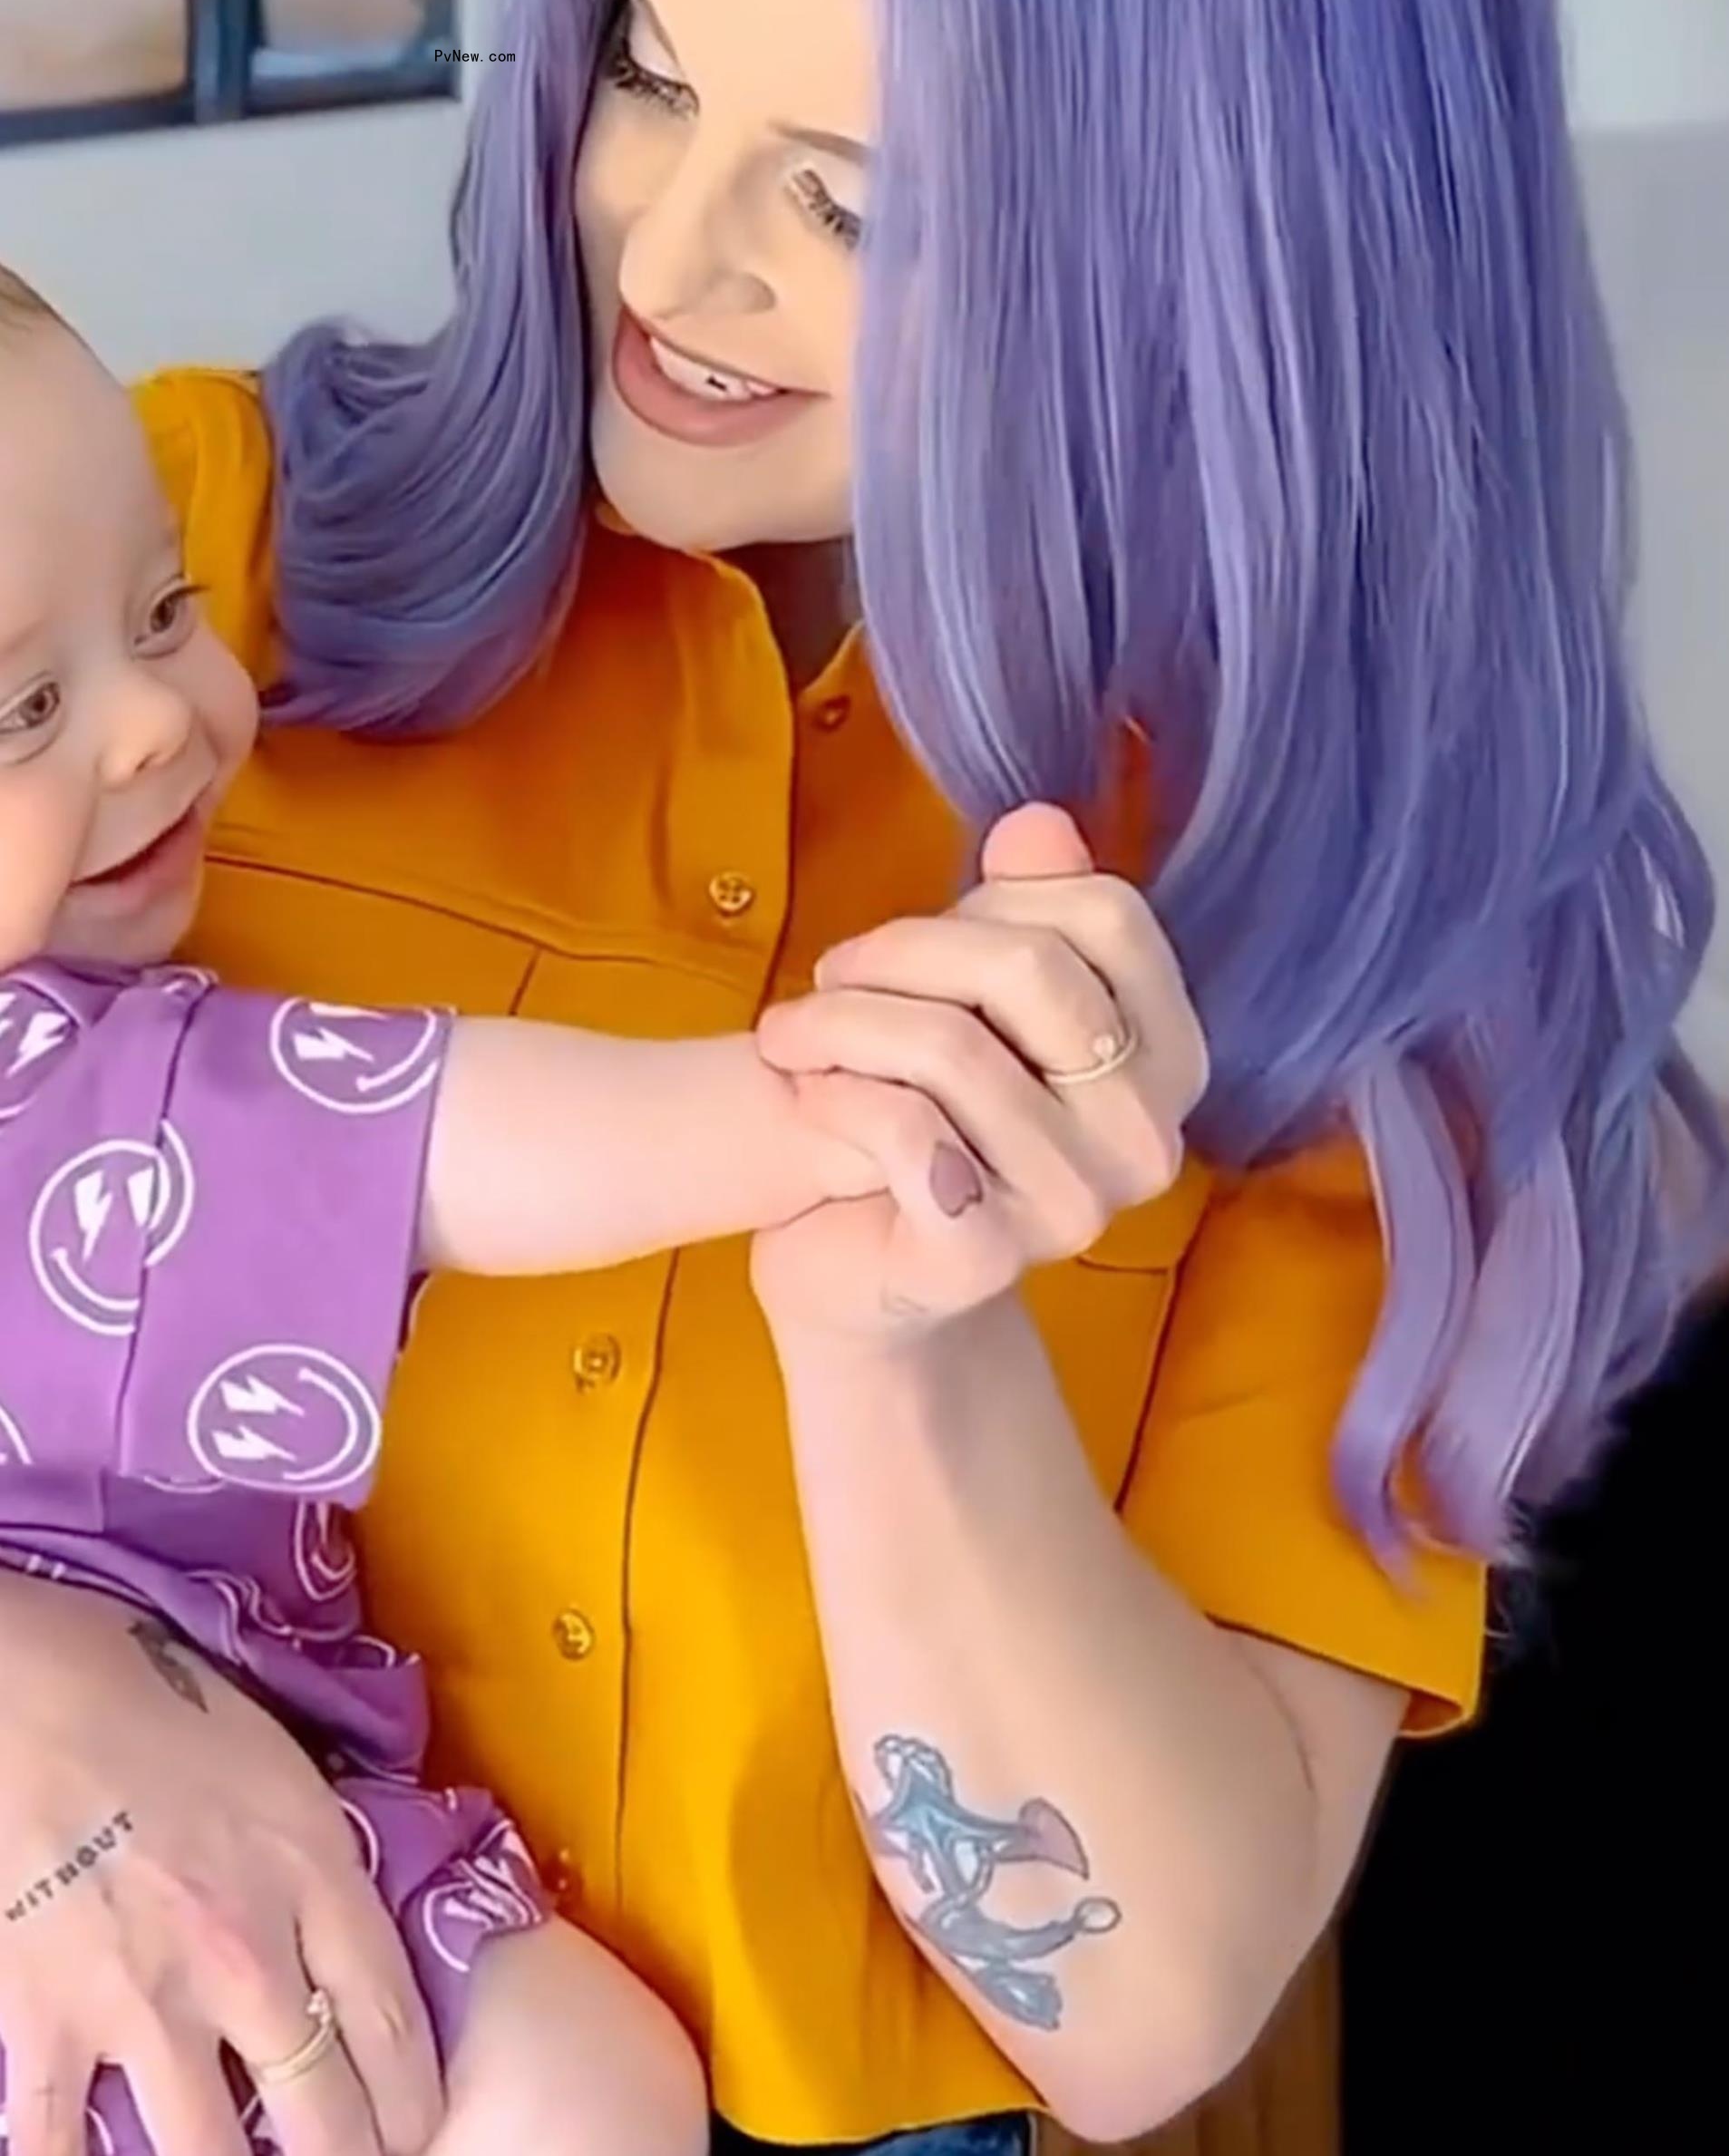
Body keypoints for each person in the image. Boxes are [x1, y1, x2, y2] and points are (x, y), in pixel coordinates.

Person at [0, 0, 1729, 2156]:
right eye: (642, 75)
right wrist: (37, 1690)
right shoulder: (174, 595)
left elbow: (1137, 2002)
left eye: (854, 198)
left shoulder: (1369, 959)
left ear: (1214, 246)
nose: (664, 261)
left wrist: (904, 1342)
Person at [0, 264, 1067, 2155]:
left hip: (192, 1942)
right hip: (249, 1934)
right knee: (593, 2079)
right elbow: (442, 1139)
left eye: (165, 608)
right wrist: (825, 1094)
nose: (159, 720)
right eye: (21, 707)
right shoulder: (57, 1078)